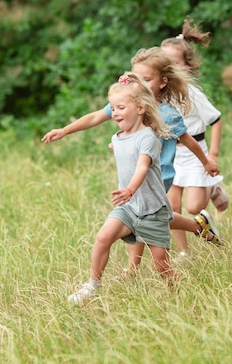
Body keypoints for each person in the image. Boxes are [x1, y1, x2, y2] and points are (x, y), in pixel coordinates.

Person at [42, 47, 221, 265]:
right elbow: (95, 117)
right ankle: (198, 225)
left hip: (157, 175)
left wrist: (206, 161)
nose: (141, 86)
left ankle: (132, 268)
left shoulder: (168, 116)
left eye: (147, 79)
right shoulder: (128, 103)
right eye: (137, 79)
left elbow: (188, 141)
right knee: (152, 216)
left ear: (163, 82)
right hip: (134, 174)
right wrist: (64, 130)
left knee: (140, 216)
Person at [67, 72, 175, 306]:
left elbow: (142, 167)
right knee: (103, 236)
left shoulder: (147, 137)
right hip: (128, 207)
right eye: (113, 108)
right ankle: (92, 285)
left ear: (140, 108)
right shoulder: (118, 137)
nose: (114, 113)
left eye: (120, 107)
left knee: (162, 267)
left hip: (152, 210)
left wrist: (130, 189)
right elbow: (125, 154)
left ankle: (176, 296)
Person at [160, 19, 230, 259]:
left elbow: (216, 120)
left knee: (194, 207)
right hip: (171, 153)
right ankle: (184, 251)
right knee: (172, 206)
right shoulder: (158, 94)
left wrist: (213, 155)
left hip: (195, 153)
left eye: (175, 63)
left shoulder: (192, 93)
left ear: (187, 66)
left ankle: (213, 188)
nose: (170, 68)